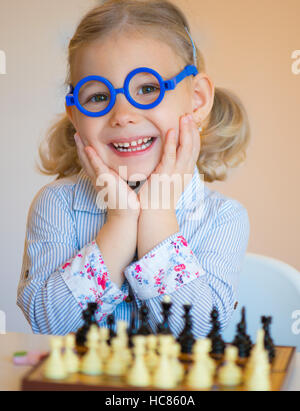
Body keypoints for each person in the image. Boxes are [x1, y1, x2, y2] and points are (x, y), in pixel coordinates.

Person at [17, 0, 250, 337]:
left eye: (148, 89)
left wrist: (156, 215)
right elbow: (51, 325)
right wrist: (121, 221)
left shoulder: (223, 217)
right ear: (75, 116)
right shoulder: (57, 205)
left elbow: (198, 333)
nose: (123, 114)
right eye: (97, 97)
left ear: (197, 99)